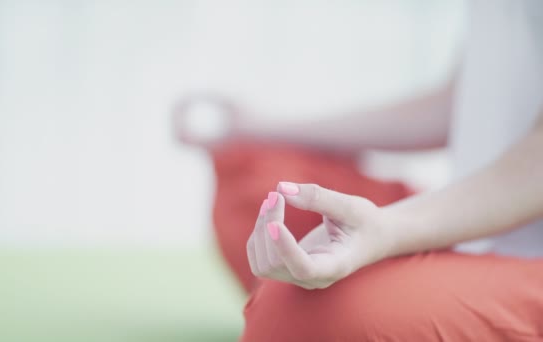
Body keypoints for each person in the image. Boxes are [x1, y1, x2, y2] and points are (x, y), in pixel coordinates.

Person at [176, 0, 543, 340]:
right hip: (472, 220)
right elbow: (460, 103)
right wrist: (260, 126)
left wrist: (389, 229)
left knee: (294, 317)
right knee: (251, 169)